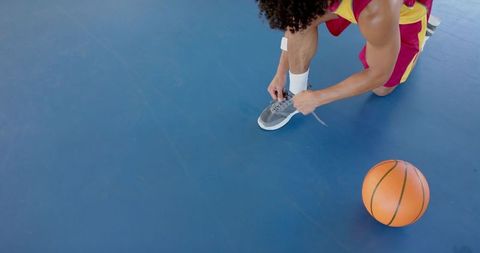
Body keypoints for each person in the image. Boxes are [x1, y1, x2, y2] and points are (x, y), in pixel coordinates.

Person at [256, 0, 439, 130]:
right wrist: (281, 71)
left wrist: (318, 98)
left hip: (402, 11)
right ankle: (296, 93)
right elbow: (294, 18)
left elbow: (378, 73)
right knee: (301, 20)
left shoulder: (378, 9)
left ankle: (421, 35)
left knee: (382, 89)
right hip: (351, 5)